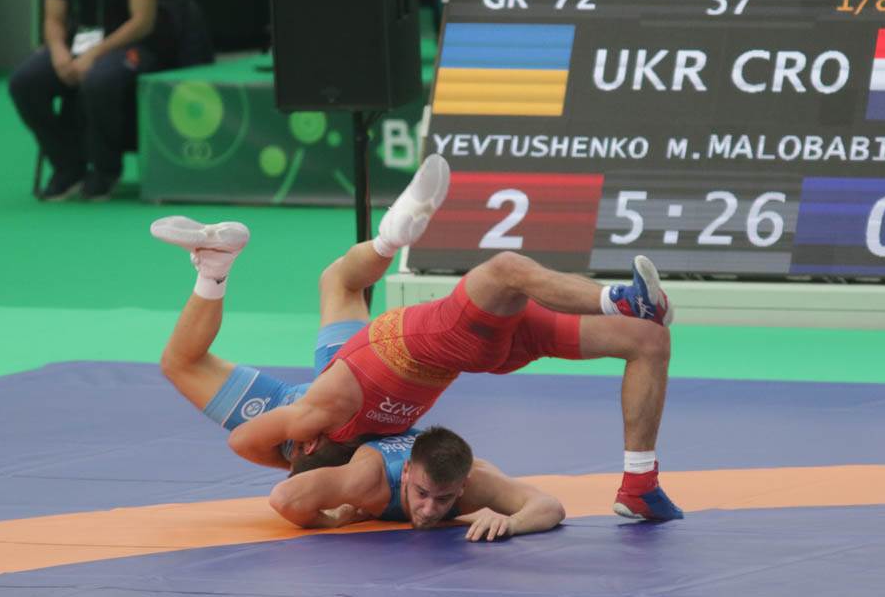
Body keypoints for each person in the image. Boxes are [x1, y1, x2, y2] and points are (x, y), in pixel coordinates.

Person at [154, 155, 681, 522]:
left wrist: (325, 505)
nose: (431, 507)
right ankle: (391, 237)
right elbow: (258, 458)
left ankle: (214, 268)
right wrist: (298, 460)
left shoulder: (336, 439)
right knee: (502, 271)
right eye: (430, 500)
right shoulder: (332, 434)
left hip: (358, 379)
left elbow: (276, 477)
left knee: (184, 360)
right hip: (397, 358)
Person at [9, 0, 177, 201]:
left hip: (133, 46)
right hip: (75, 46)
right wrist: (58, 51)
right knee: (25, 83)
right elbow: (53, 18)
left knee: (99, 81)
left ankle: (105, 170)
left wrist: (95, 54)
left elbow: (142, 22)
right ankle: (67, 165)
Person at [269, 425, 566, 542]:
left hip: (429, 446)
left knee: (490, 471)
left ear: (462, 487)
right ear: (408, 473)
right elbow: (283, 498)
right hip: (362, 437)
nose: (428, 509)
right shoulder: (371, 482)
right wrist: (332, 521)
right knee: (301, 449)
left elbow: (550, 506)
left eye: (443, 499)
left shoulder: (475, 483)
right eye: (422, 494)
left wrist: (512, 524)